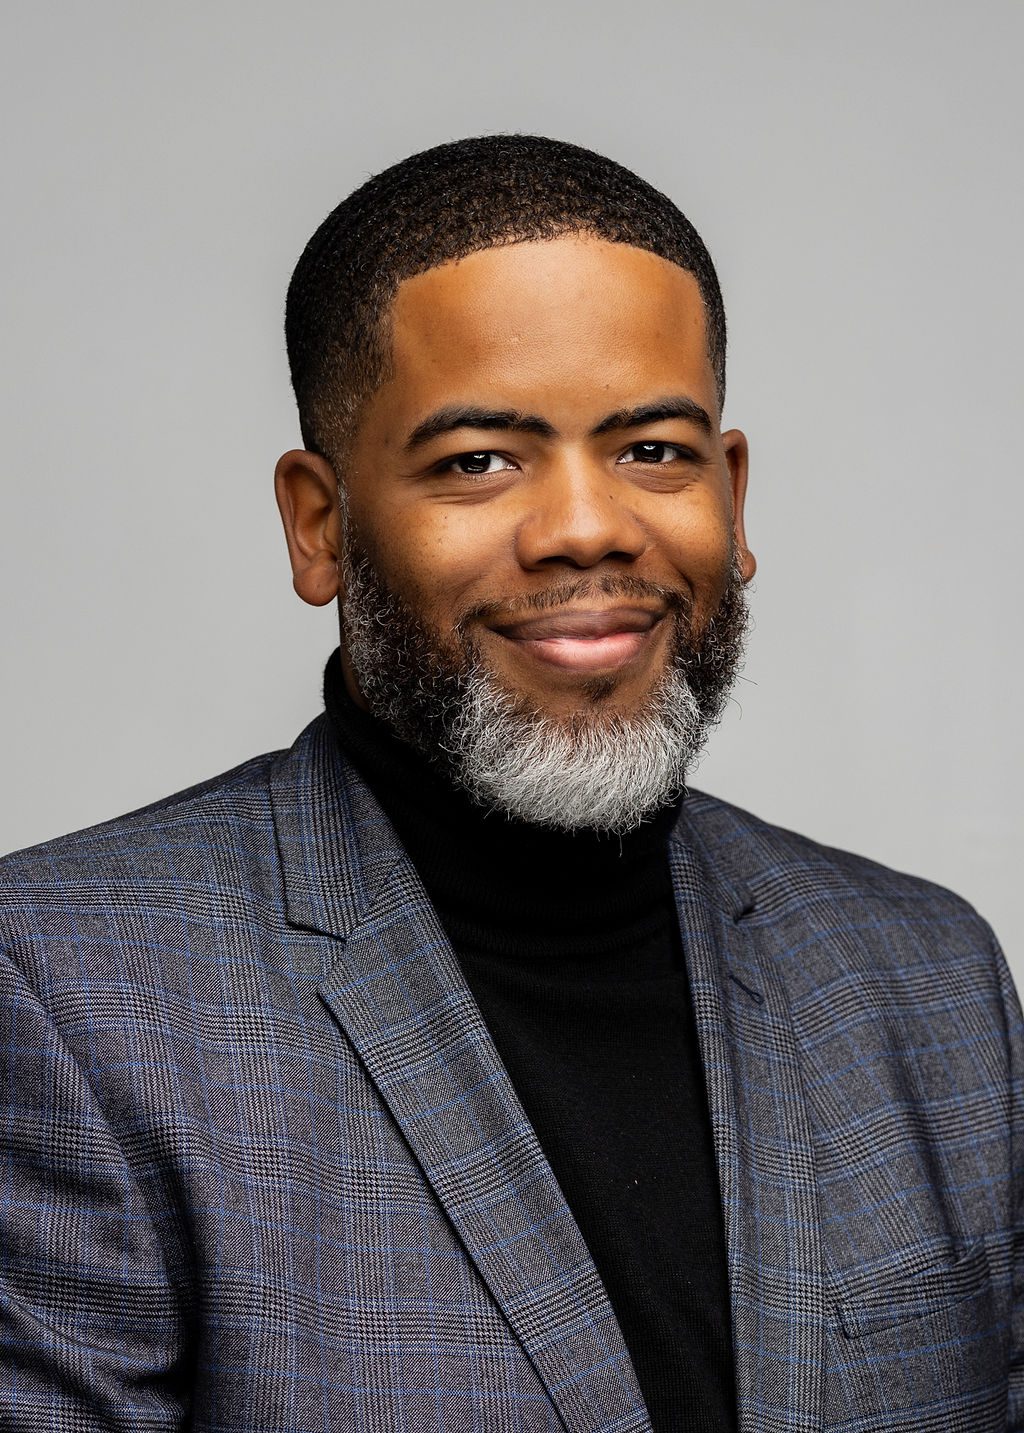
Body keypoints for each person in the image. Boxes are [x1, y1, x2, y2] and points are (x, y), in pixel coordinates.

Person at [0, 134, 1019, 1433]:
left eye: (654, 448)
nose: (589, 525)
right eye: (480, 459)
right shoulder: (64, 992)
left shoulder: (930, 979)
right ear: (320, 524)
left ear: (733, 493)